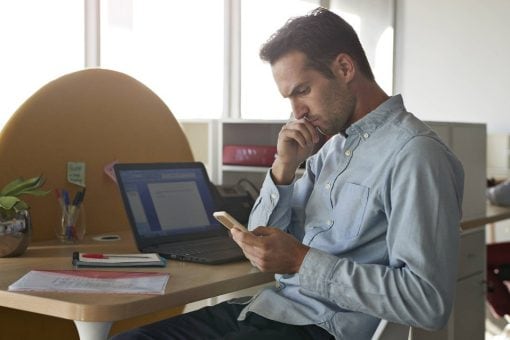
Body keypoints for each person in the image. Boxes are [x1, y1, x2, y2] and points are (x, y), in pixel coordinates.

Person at [112, 7, 464, 339]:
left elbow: (426, 301)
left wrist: (301, 261)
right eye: (288, 99)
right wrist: (283, 168)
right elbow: (264, 246)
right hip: (271, 311)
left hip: (322, 328)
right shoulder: (329, 152)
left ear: (344, 68)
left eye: (303, 91)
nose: (297, 114)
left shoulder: (416, 155)